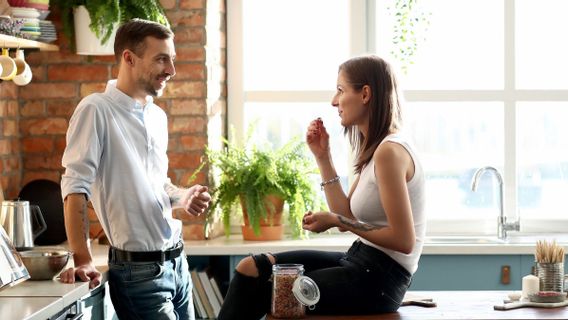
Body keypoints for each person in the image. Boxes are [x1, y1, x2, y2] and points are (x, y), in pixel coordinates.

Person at [217, 55, 425, 319]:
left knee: (279, 292)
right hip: (358, 259)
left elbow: (403, 240)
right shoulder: (374, 150)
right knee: (251, 267)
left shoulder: (390, 152)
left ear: (365, 94)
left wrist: (336, 219)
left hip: (381, 280)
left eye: (340, 90)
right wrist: (322, 157)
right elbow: (347, 217)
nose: (334, 101)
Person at [59, 19, 211, 320]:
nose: (171, 70)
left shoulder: (156, 116)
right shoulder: (96, 109)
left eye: (173, 60)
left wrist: (183, 196)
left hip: (177, 264)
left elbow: (157, 185)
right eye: (161, 59)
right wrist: (82, 258)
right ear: (129, 58)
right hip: (138, 274)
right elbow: (75, 187)